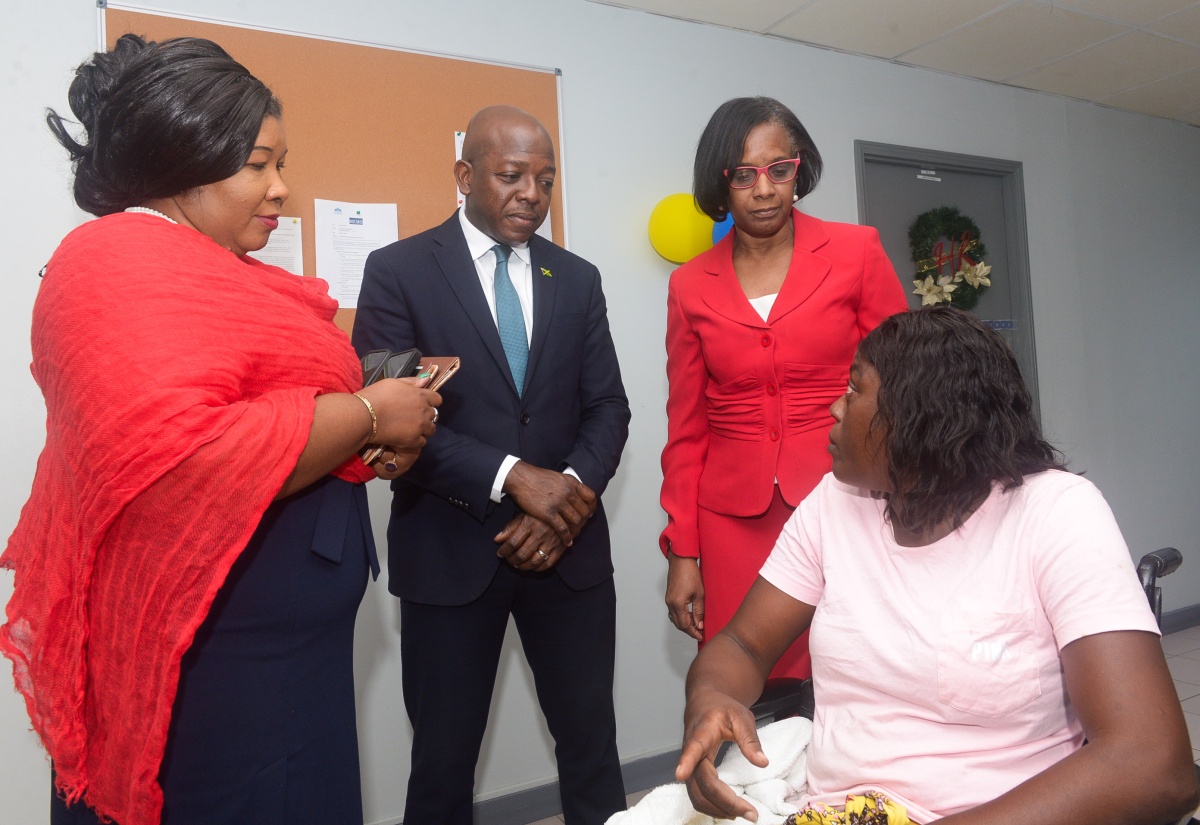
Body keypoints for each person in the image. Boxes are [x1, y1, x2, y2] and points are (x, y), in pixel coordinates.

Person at [0, 34, 440, 825]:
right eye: (259, 164)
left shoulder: (221, 272)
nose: (281, 189)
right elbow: (187, 456)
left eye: (281, 162)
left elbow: (265, 409)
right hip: (216, 658)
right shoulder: (110, 264)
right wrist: (370, 412)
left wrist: (364, 431)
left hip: (281, 652)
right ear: (181, 161)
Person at [675, 306, 1199, 824]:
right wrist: (709, 700)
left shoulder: (1055, 513)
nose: (835, 409)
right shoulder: (834, 502)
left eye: (855, 391)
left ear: (919, 418)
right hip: (839, 812)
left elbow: (1154, 766)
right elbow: (743, 645)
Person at [352, 105, 631, 824]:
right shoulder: (397, 271)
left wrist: (565, 495)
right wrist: (514, 475)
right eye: (511, 176)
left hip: (566, 553)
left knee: (593, 749)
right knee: (443, 763)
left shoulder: (578, 278)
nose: (531, 194)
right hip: (450, 553)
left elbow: (608, 408)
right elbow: (390, 416)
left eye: (545, 179)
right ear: (464, 176)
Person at [660, 96, 908, 678]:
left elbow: (903, 387)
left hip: (847, 498)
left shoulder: (856, 252)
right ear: (720, 185)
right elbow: (686, 429)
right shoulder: (689, 285)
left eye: (779, 169)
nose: (764, 189)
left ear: (799, 169)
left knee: (859, 671)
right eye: (743, 175)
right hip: (731, 523)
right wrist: (684, 552)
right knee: (740, 684)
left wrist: (912, 494)